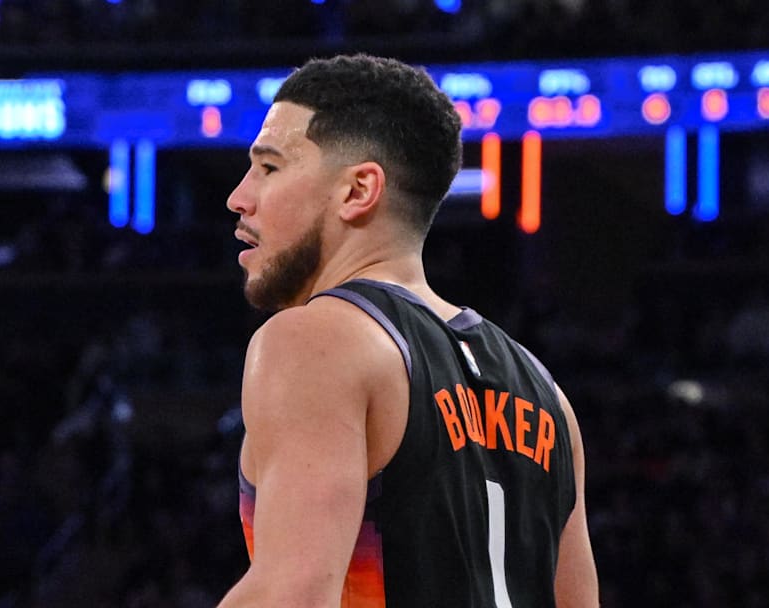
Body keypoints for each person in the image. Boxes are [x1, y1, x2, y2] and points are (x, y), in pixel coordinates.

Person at [217, 54, 598, 608]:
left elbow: (291, 595)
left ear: (357, 191)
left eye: (269, 167)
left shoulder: (314, 340)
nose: (239, 197)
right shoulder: (547, 395)